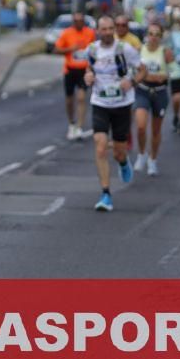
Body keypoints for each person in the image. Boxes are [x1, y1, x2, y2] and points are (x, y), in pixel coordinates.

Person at [84, 16, 140, 212]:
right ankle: (106, 194)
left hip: (122, 104)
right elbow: (89, 68)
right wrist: (88, 76)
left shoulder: (125, 49)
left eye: (110, 29)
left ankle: (123, 162)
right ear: (98, 31)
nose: (107, 32)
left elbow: (142, 70)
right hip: (100, 102)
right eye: (104, 29)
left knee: (118, 151)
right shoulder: (92, 50)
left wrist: (131, 82)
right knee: (100, 146)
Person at [133, 22, 173, 177]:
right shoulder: (140, 50)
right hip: (142, 91)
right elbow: (134, 71)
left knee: (156, 130)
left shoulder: (165, 52)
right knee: (141, 126)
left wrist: (164, 76)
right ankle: (142, 154)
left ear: (161, 37)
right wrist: (147, 77)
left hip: (160, 93)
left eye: (157, 34)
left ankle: (153, 159)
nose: (153, 37)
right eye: (151, 34)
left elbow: (174, 71)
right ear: (146, 35)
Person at [54, 12, 96, 141]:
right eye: (76, 21)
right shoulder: (67, 33)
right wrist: (71, 49)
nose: (78, 23)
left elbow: (94, 50)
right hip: (70, 70)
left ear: (84, 21)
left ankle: (79, 126)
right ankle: (72, 122)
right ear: (73, 22)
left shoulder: (90, 33)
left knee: (81, 98)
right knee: (69, 99)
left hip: (83, 70)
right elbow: (56, 49)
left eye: (81, 21)